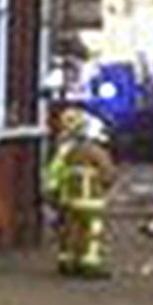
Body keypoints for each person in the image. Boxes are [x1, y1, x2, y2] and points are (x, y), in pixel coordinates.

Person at [45, 109, 115, 278]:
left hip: (68, 198)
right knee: (92, 232)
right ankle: (89, 265)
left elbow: (54, 173)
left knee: (69, 231)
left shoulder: (65, 151)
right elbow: (108, 174)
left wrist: (52, 194)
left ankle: (67, 262)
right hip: (91, 200)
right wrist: (105, 185)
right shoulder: (96, 152)